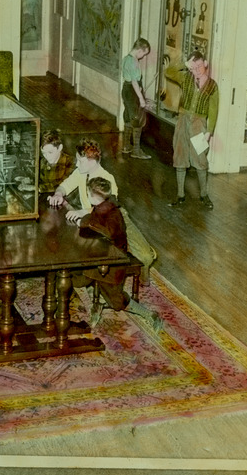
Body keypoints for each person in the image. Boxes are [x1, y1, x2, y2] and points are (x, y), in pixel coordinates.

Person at [48, 137, 158, 272]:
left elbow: (107, 208)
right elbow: (66, 185)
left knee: (145, 257)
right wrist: (59, 193)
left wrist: (81, 212)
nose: (77, 164)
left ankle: (144, 264)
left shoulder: (107, 178)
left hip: (113, 218)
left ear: (92, 161)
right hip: (92, 219)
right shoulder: (81, 172)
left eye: (80, 161)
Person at [75, 177, 162, 331]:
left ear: (94, 197)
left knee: (116, 302)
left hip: (113, 263)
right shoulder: (102, 207)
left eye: (88, 194)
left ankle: (149, 314)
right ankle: (95, 298)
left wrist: (88, 222)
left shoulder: (112, 214)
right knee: (75, 276)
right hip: (100, 257)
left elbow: (109, 233)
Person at [164, 49, 220, 210]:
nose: (195, 71)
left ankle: (204, 195)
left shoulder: (212, 86)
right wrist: (184, 63)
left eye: (199, 67)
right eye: (192, 68)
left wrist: (209, 131)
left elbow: (213, 110)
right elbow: (169, 72)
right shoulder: (186, 77)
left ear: (206, 64)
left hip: (199, 124)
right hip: (182, 120)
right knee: (180, 156)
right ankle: (180, 195)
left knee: (200, 159)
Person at [120, 38, 155, 159]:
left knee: (129, 116)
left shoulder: (126, 58)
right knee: (138, 119)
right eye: (144, 54)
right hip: (133, 92)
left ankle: (126, 146)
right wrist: (141, 98)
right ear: (139, 50)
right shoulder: (134, 61)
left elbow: (129, 78)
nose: (143, 57)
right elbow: (135, 81)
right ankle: (136, 150)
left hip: (126, 89)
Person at [38, 129, 74, 194]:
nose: (47, 156)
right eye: (43, 153)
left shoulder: (71, 162)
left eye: (50, 152)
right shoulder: (43, 161)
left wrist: (37, 188)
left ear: (60, 148)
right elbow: (40, 179)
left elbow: (61, 185)